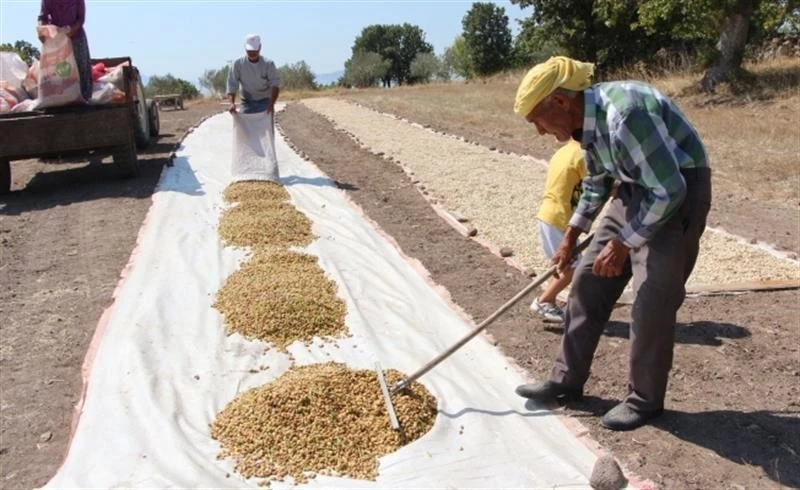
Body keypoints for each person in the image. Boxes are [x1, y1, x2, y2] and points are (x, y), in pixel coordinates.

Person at [512, 56, 712, 431]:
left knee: (652, 298)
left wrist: (624, 243)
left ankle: (644, 401)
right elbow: (598, 181)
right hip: (637, 186)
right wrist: (571, 235)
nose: (539, 131)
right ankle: (566, 380)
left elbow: (669, 191)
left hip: (678, 187)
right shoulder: (585, 124)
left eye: (537, 119)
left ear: (560, 102)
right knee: (587, 279)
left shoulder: (626, 115)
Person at [530, 139, 586, 323]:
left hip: (550, 214)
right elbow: (597, 185)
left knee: (562, 266)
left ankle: (550, 299)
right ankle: (543, 301)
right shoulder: (582, 154)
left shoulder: (565, 150)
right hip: (560, 218)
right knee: (573, 268)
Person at [37, 0, 92, 101]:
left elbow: (81, 19)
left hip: (76, 38)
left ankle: (84, 99)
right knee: (61, 71)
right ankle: (60, 99)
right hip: (57, 40)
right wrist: (42, 31)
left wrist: (71, 30)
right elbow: (43, 17)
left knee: (81, 68)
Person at [227, 34, 281, 122]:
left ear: (260, 48)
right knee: (245, 130)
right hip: (246, 102)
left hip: (264, 102)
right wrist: (231, 103)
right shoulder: (237, 64)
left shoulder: (268, 64)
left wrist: (271, 104)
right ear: (245, 48)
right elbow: (232, 84)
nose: (252, 53)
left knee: (264, 131)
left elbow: (275, 85)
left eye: (254, 51)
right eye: (249, 51)